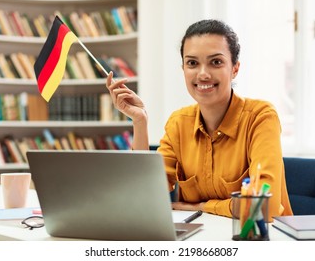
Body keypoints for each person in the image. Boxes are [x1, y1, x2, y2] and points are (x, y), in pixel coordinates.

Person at [106, 19, 293, 219]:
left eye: (216, 62)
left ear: (235, 68)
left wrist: (204, 206)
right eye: (192, 63)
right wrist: (140, 122)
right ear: (183, 69)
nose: (203, 74)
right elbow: (144, 195)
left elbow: (263, 207)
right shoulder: (178, 123)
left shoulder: (261, 117)